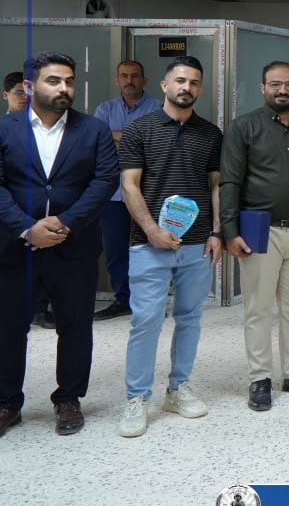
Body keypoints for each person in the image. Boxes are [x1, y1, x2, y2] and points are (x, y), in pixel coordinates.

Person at [0, 51, 118, 437]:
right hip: (15, 248)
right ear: (30, 86)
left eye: (69, 81)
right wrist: (26, 228)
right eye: (54, 81)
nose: (64, 88)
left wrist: (66, 223)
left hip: (74, 248)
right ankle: (7, 402)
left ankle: (68, 399)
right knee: (9, 327)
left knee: (75, 326)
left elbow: (105, 180)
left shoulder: (94, 130)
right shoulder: (5, 128)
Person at [117, 56, 223, 438]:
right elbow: (130, 185)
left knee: (190, 318)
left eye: (193, 82)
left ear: (199, 88)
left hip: (197, 246)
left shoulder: (211, 134)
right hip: (148, 245)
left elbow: (216, 186)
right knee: (146, 321)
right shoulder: (139, 130)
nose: (186, 87)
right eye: (180, 80)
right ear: (164, 85)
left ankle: (178, 389)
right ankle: (137, 398)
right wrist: (151, 230)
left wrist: (216, 232)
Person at [220, 61, 289, 412]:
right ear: (263, 87)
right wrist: (230, 231)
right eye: (275, 84)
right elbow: (230, 182)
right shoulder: (243, 127)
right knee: (258, 308)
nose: (283, 90)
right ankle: (260, 378)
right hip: (259, 230)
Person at [93, 61, 161, 321]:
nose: (129, 80)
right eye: (124, 76)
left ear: (144, 80)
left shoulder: (157, 107)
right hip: (113, 193)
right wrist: (136, 137)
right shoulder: (105, 109)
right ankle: (123, 300)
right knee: (115, 250)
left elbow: (154, 142)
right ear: (117, 80)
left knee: (150, 249)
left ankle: (150, 303)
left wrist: (119, 137)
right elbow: (99, 140)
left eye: (134, 76)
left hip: (148, 193)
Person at [6, 70, 53, 330]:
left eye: (28, 92)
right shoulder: (4, 128)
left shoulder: (44, 129)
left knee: (42, 256)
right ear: (5, 95)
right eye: (18, 93)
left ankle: (40, 308)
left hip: (40, 206)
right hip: (8, 210)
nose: (24, 97)